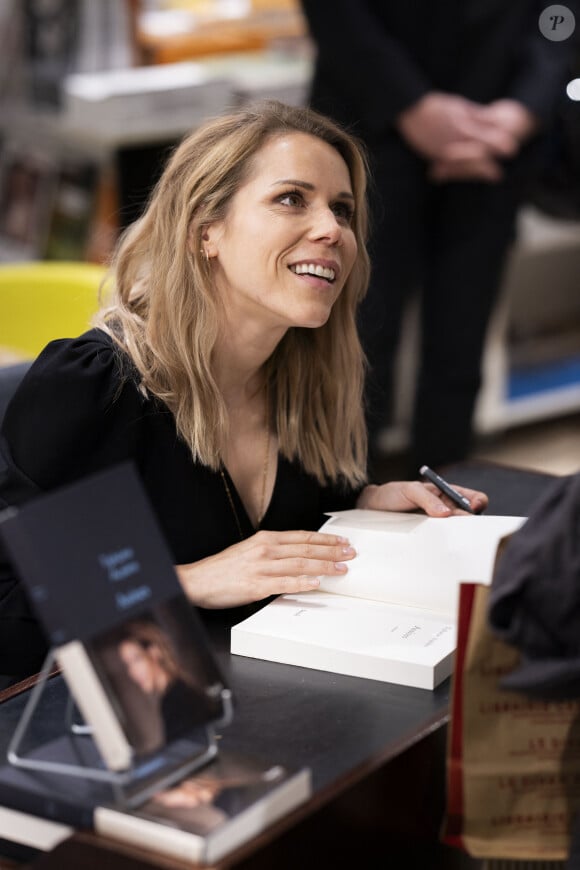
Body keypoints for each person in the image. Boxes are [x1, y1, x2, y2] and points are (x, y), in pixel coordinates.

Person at [0, 100, 487, 678]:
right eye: (291, 199)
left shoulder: (298, 376)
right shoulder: (97, 387)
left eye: (343, 209)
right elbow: (11, 612)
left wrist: (362, 504)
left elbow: (287, 522)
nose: (333, 229)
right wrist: (186, 582)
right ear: (207, 229)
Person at [300, 0, 576, 474]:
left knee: (460, 346)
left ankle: (447, 503)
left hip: (496, 145)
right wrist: (414, 108)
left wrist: (521, 110)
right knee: (352, 344)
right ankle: (339, 503)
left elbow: (561, 17)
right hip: (368, 132)